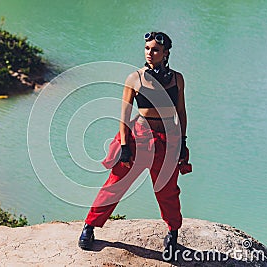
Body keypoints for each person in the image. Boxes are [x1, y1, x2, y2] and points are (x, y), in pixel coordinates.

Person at [78, 31, 191, 261]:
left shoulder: (177, 79)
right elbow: (123, 114)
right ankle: (90, 226)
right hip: (140, 136)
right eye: (147, 48)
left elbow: (181, 112)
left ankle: (172, 234)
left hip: (168, 139)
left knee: (167, 190)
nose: (150, 53)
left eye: (156, 50)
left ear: (166, 53)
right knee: (116, 183)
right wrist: (124, 145)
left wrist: (183, 143)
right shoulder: (135, 78)